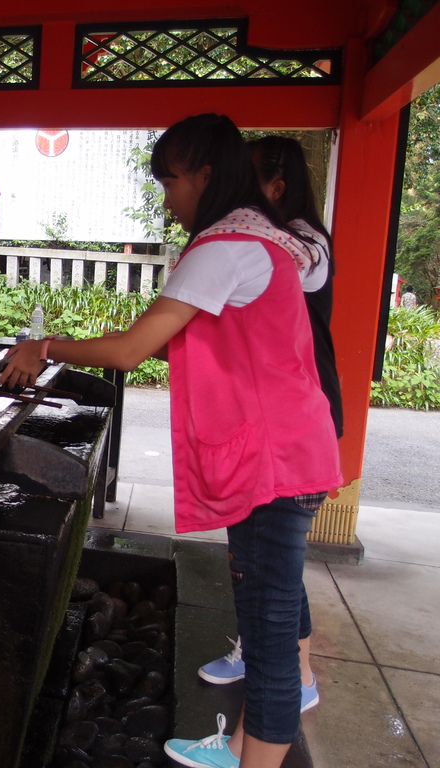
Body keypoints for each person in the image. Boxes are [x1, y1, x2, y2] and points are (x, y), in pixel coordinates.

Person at [0, 113, 342, 768]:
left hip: (274, 463)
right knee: (268, 609)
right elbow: (195, 345)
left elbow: (130, 350)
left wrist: (43, 347)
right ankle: (241, 744)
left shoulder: (225, 248)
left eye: (172, 181)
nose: (168, 197)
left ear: (207, 176)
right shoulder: (261, 239)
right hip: (284, 455)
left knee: (269, 647)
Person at [195, 136, 344, 753]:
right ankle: (286, 668)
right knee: (274, 573)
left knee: (271, 580)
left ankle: (284, 673)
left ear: (276, 188)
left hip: (292, 421)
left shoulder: (298, 244)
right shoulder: (283, 236)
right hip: (289, 418)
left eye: (245, 182)